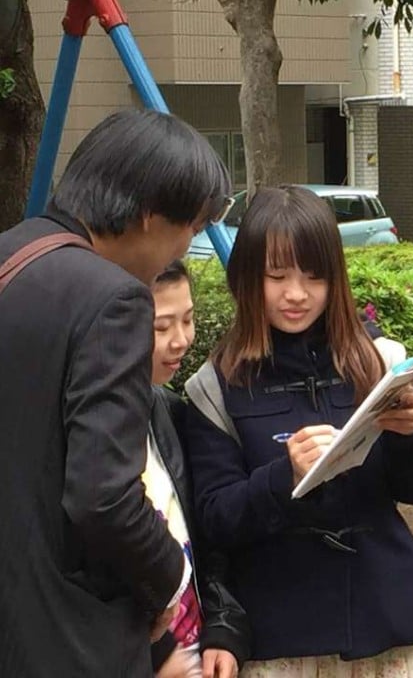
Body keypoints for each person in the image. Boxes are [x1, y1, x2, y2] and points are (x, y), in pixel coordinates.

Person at [0, 108, 231, 676]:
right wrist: (168, 579)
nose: (184, 249)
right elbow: (102, 496)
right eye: (192, 229)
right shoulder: (114, 299)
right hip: (68, 635)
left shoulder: (12, 255)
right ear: (151, 215)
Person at [185, 185, 413, 677]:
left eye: (314, 276)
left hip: (386, 616)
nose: (297, 294)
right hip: (282, 634)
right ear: (246, 278)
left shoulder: (377, 360)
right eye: (276, 276)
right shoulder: (216, 385)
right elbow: (214, 519)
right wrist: (285, 478)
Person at [148, 260, 251, 677]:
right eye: (161, 327)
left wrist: (225, 626)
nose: (181, 340)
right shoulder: (74, 433)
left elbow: (207, 542)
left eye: (187, 320)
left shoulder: (172, 414)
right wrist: (155, 654)